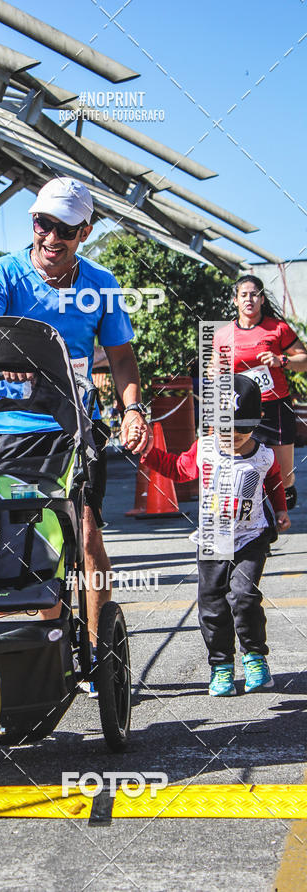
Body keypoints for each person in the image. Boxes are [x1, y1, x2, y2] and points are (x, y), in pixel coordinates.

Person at [0, 177, 152, 671]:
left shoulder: (101, 284)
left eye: (64, 228)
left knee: (86, 538)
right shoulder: (1, 277)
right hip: (11, 431)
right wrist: (6, 355)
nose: (51, 237)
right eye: (44, 223)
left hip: (76, 430)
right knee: (34, 545)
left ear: (84, 232)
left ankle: (97, 656)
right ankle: (51, 652)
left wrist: (133, 410)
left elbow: (123, 360)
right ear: (33, 221)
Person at [142, 375, 290, 696]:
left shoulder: (264, 456)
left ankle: (254, 657)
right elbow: (177, 469)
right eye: (225, 428)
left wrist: (281, 510)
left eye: (241, 428)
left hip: (251, 537)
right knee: (211, 603)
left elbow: (274, 482)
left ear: (257, 421)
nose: (232, 436)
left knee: (244, 596)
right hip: (212, 539)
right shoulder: (205, 449)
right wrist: (148, 453)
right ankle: (221, 665)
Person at [214, 275, 307, 510]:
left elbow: (304, 360)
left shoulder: (278, 329)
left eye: (254, 294)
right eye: (243, 295)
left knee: (284, 475)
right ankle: (257, 523)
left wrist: (281, 360)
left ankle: (284, 496)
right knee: (246, 469)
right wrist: (216, 371)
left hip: (275, 407)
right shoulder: (223, 334)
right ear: (235, 300)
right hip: (241, 410)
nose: (249, 299)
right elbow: (212, 371)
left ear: (262, 299)